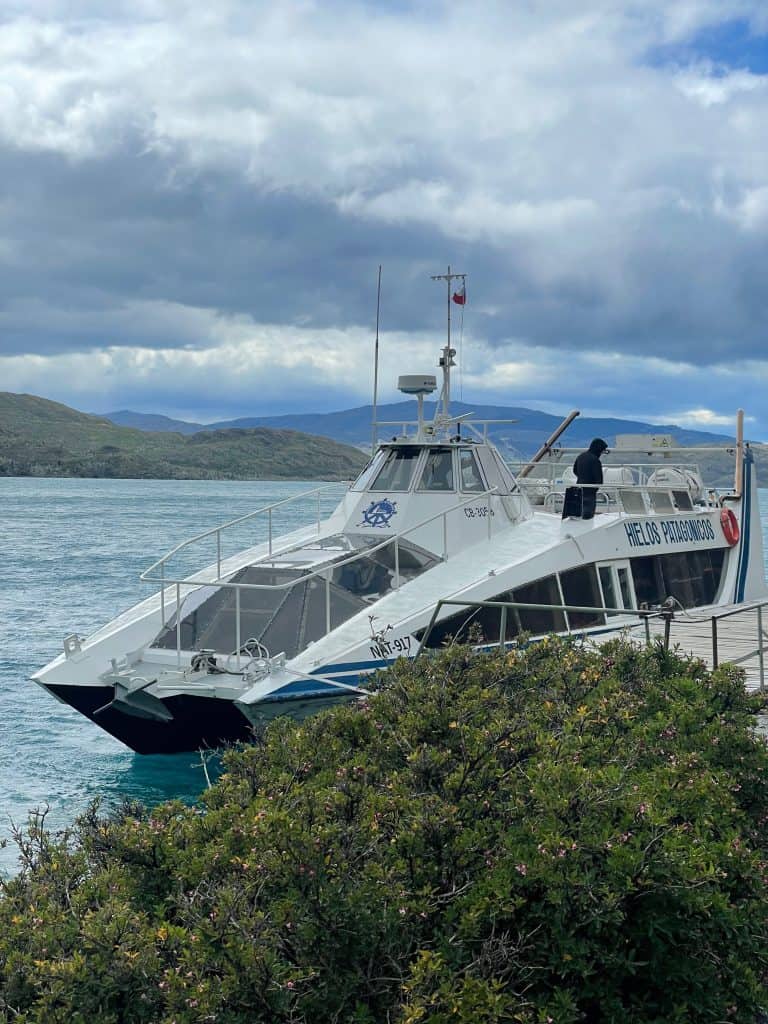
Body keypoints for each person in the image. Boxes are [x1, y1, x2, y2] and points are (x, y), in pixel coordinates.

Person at [562, 438, 609, 520]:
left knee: (578, 517)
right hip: (590, 493)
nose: (602, 453)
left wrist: (582, 477)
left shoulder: (581, 456)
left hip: (579, 490)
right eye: (602, 451)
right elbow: (599, 481)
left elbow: (575, 470)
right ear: (598, 449)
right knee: (588, 519)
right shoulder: (595, 461)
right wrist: (594, 489)